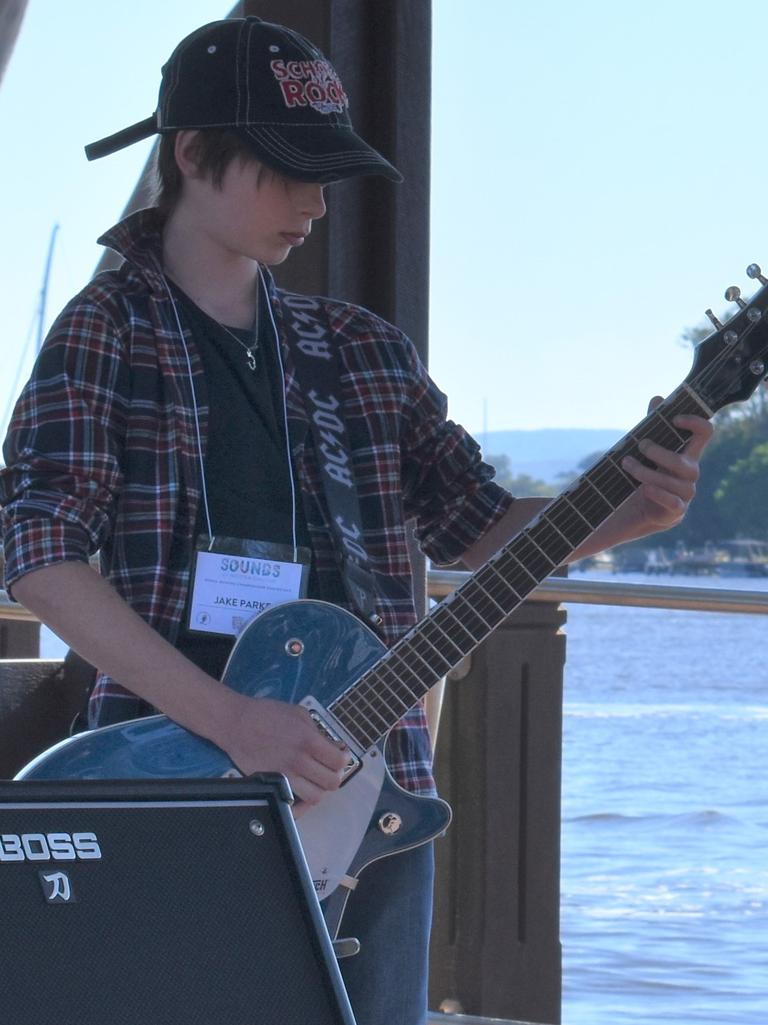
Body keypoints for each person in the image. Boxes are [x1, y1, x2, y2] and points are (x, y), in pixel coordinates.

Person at [0, 16, 713, 1025]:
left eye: (325, 173)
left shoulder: (363, 349)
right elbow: (38, 557)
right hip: (173, 782)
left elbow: (475, 526)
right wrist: (233, 718)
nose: (317, 202)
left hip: (374, 792)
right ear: (193, 154)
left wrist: (621, 515)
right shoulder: (102, 332)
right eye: (289, 170)